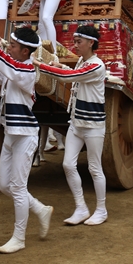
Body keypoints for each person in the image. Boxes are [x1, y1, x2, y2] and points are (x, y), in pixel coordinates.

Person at [0, 20, 53, 254]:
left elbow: (2, 62)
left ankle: (19, 238)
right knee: (5, 185)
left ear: (25, 51)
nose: (9, 47)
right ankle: (40, 209)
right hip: (10, 134)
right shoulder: (14, 67)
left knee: (17, 187)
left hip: (25, 136)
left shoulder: (26, 70)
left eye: (13, 46)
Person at [35, 25, 108, 224]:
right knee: (68, 164)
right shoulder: (83, 62)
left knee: (95, 168)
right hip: (76, 122)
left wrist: (40, 65)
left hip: (93, 125)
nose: (75, 45)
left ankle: (101, 210)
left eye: (78, 42)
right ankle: (81, 207)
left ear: (91, 43)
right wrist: (61, 66)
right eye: (75, 41)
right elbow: (74, 73)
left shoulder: (97, 65)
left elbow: (70, 77)